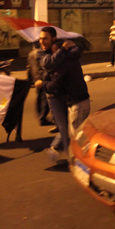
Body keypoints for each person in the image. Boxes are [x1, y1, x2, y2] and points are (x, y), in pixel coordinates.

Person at [36, 28, 90, 163]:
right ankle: (71, 156)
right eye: (40, 38)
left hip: (72, 99)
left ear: (53, 39)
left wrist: (42, 84)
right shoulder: (41, 53)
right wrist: (63, 50)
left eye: (45, 38)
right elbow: (48, 63)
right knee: (66, 129)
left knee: (73, 134)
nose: (41, 41)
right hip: (59, 98)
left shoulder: (64, 59)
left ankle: (77, 162)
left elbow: (76, 51)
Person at [27, 42, 57, 133]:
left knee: (39, 97)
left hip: (36, 78)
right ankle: (42, 117)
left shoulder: (30, 53)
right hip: (42, 78)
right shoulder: (41, 53)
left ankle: (40, 115)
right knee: (45, 99)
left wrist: (31, 79)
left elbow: (29, 67)